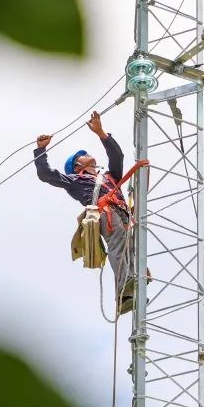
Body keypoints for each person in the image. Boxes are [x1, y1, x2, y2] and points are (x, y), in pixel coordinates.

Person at [34, 111, 136, 313]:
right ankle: (126, 285)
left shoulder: (109, 177)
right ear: (77, 166)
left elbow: (117, 156)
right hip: (106, 214)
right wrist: (40, 150)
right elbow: (46, 175)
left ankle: (129, 292)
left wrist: (101, 133)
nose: (88, 155)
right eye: (82, 156)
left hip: (123, 215)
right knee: (118, 245)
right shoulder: (75, 181)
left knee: (131, 249)